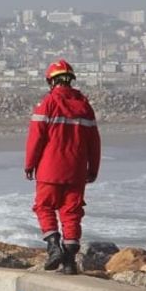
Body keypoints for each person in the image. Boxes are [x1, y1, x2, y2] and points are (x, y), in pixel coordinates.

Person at [25, 59, 101, 275]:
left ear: (51, 81)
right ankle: (69, 262)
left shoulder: (47, 103)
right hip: (76, 170)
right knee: (72, 214)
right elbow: (94, 142)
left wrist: (29, 164)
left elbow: (36, 138)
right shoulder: (85, 106)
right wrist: (93, 168)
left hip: (49, 169)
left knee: (44, 207)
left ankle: (53, 246)